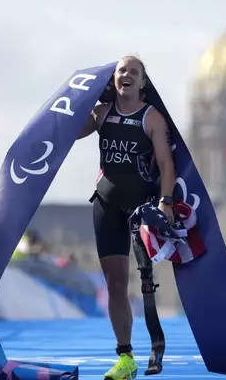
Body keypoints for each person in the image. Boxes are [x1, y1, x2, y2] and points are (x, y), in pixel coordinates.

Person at [77, 56, 176, 380]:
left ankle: (155, 342)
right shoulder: (102, 113)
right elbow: (72, 132)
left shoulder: (152, 118)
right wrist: (87, 96)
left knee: (145, 283)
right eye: (122, 71)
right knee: (115, 283)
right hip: (106, 204)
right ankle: (126, 357)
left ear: (143, 82)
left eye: (134, 72)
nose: (127, 75)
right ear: (114, 80)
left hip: (140, 208)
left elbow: (165, 163)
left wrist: (165, 202)